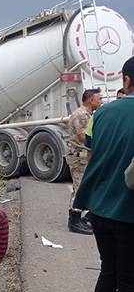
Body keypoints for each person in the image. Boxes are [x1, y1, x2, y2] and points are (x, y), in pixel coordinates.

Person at [73, 56, 134, 292]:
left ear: (126, 81)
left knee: (108, 271)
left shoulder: (102, 114)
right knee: (129, 282)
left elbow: (92, 146)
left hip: (99, 208)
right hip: (129, 213)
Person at [66, 88, 102, 235]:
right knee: (79, 188)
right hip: (79, 157)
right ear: (90, 100)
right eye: (99, 99)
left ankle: (81, 218)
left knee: (83, 187)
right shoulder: (81, 115)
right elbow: (83, 138)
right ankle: (74, 221)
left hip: (83, 156)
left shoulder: (87, 114)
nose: (101, 101)